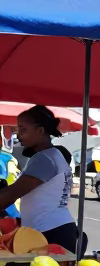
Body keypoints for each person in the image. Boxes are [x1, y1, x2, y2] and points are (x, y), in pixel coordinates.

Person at [0, 106, 78, 250]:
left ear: (40, 131)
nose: (18, 135)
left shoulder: (45, 159)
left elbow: (12, 194)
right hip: (55, 229)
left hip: (51, 233)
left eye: (23, 130)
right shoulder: (52, 155)